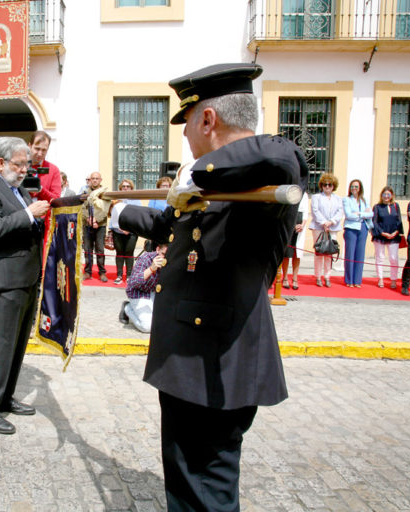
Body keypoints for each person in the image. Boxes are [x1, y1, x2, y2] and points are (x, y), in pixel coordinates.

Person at [109, 63, 307, 511]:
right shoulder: (215, 184)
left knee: (205, 489)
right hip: (189, 362)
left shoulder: (263, 172)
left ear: (208, 120)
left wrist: (202, 173)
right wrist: (120, 212)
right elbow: (169, 226)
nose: (186, 140)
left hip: (216, 364)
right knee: (186, 482)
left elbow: (284, 153)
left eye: (187, 125)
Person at [0, 136, 49, 435]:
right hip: (2, 282)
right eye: (20, 164)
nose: (25, 169)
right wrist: (29, 214)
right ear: (1, 163)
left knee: (17, 346)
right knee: (1, 347)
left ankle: (4, 398)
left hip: (26, 279)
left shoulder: (20, 191)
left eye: (27, 164)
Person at [119, 243, 167, 333]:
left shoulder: (171, 261)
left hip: (154, 292)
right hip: (138, 292)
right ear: (157, 250)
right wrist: (152, 269)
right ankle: (127, 308)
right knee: (147, 326)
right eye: (163, 254)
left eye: (168, 255)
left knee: (164, 323)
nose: (165, 258)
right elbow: (133, 282)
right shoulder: (145, 258)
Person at [309, 173, 343, 287]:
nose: (327, 187)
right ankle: (318, 276)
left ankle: (327, 276)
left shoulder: (338, 199)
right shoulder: (316, 197)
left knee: (329, 252)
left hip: (332, 227)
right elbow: (315, 211)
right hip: (318, 227)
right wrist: (324, 223)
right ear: (322, 186)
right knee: (319, 252)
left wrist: (331, 222)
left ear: (333, 186)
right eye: (325, 185)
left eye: (329, 184)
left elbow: (339, 212)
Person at [342, 179, 373, 288]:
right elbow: (348, 215)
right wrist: (364, 214)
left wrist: (359, 213)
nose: (354, 189)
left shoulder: (365, 200)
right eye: (352, 187)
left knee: (360, 255)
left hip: (363, 228)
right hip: (351, 228)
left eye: (356, 187)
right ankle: (349, 280)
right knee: (350, 254)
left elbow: (371, 214)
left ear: (360, 188)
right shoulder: (346, 200)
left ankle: (357, 280)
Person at [371, 186, 403, 289]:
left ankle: (393, 279)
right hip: (381, 236)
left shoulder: (396, 206)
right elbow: (374, 221)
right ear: (381, 195)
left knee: (393, 258)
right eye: (384, 194)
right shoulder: (377, 207)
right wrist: (382, 232)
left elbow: (399, 220)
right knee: (380, 257)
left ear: (392, 195)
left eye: (388, 194)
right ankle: (380, 278)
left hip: (394, 235)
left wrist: (396, 232)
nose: (386, 196)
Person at [111, 179, 139, 284]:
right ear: (120, 188)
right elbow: (112, 215)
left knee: (129, 252)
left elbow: (137, 216)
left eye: (128, 186)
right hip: (117, 231)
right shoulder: (116, 199)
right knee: (119, 253)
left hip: (131, 232)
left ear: (131, 188)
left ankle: (129, 276)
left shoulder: (136, 199)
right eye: (123, 186)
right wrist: (120, 228)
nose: (125, 188)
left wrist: (128, 229)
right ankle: (119, 275)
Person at [81, 171, 108, 282]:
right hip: (87, 224)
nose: (95, 180)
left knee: (100, 249)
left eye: (97, 178)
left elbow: (105, 209)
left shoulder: (105, 193)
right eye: (93, 178)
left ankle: (102, 272)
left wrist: (96, 220)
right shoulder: (84, 192)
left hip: (100, 225)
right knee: (88, 249)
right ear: (90, 180)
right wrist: (89, 219)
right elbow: (82, 208)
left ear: (100, 180)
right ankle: (88, 272)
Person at [281, 191, 309, 289]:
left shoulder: (304, 194)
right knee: (287, 253)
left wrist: (302, 225)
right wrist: (290, 224)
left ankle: (295, 278)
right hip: (289, 222)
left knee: (297, 254)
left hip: (300, 225)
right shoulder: (289, 191)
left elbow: (306, 212)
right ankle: (284, 278)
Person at [28, 130, 62, 201]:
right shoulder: (20, 166)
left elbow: (56, 199)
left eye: (44, 150)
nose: (40, 153)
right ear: (30, 146)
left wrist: (40, 189)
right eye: (37, 149)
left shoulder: (53, 170)